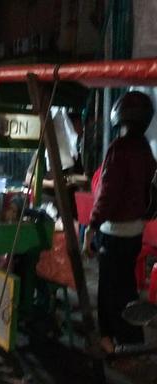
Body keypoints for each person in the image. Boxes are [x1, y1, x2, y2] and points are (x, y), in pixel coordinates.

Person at [83, 91, 157, 354]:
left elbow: (107, 194)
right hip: (135, 232)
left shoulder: (118, 148)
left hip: (112, 232)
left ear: (120, 117)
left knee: (107, 290)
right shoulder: (145, 150)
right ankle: (131, 338)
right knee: (126, 288)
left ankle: (108, 339)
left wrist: (91, 226)